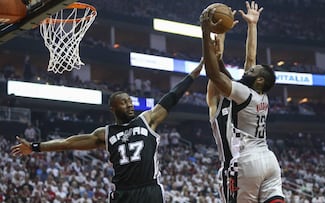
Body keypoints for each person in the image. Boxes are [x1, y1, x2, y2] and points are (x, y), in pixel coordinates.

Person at [10, 59, 204, 203]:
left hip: (149, 191)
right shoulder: (105, 133)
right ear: (113, 108)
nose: (129, 105)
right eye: (124, 102)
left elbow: (172, 96)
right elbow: (67, 143)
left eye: (130, 101)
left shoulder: (147, 120)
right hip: (123, 193)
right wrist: (35, 147)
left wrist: (194, 74)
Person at [201, 1, 285, 203]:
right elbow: (249, 58)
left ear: (259, 80)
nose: (248, 70)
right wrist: (251, 26)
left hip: (241, 164)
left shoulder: (228, 100)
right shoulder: (256, 95)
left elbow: (214, 75)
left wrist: (208, 36)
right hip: (268, 159)